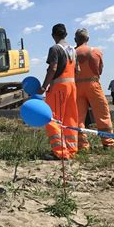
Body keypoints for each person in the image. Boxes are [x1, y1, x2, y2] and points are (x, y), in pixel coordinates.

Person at [38, 24, 78, 160]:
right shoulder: (73, 49)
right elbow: (77, 70)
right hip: (72, 87)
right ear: (66, 34)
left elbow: (53, 68)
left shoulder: (55, 48)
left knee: (52, 118)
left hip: (59, 88)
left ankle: (60, 152)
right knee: (70, 118)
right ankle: (71, 149)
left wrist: (44, 87)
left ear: (53, 35)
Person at [74, 28, 114, 149]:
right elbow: (99, 70)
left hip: (76, 86)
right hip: (93, 84)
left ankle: (82, 145)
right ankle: (108, 143)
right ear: (87, 38)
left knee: (78, 116)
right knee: (102, 113)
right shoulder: (96, 51)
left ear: (76, 39)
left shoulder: (72, 52)